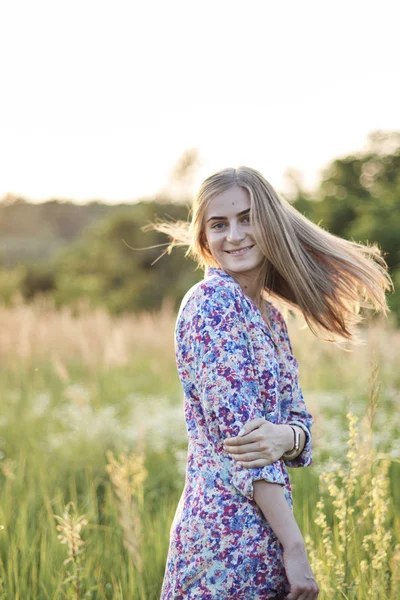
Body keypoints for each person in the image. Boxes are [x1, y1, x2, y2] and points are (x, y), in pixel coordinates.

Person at [150, 167, 392, 599]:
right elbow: (246, 446)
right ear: (204, 238)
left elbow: (299, 427)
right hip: (221, 542)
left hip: (265, 538)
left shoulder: (270, 316)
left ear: (270, 223)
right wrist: (295, 545)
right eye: (219, 224)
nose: (235, 235)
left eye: (247, 218)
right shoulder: (211, 305)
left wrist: (288, 436)